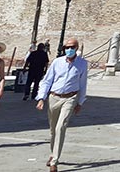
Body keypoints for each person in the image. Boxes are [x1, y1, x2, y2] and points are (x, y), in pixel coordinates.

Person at [36, 37, 88, 172]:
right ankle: (53, 153)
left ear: (77, 48)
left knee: (61, 127)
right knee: (53, 130)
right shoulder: (57, 62)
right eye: (67, 47)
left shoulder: (82, 64)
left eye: (72, 47)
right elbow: (47, 80)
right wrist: (41, 98)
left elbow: (83, 84)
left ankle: (54, 161)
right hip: (54, 97)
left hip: (70, 98)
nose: (69, 49)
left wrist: (80, 102)